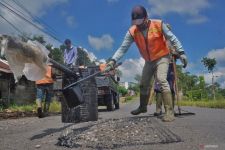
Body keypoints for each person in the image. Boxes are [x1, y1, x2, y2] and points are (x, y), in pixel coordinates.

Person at [105, 5, 187, 122]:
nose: (138, 25)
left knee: (161, 79)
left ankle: (169, 111)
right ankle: (143, 107)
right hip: (149, 61)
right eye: (136, 22)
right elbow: (123, 48)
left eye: (140, 21)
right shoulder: (132, 31)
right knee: (143, 84)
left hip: (162, 57)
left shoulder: (158, 24)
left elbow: (173, 38)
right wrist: (113, 61)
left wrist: (182, 52)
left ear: (146, 17)